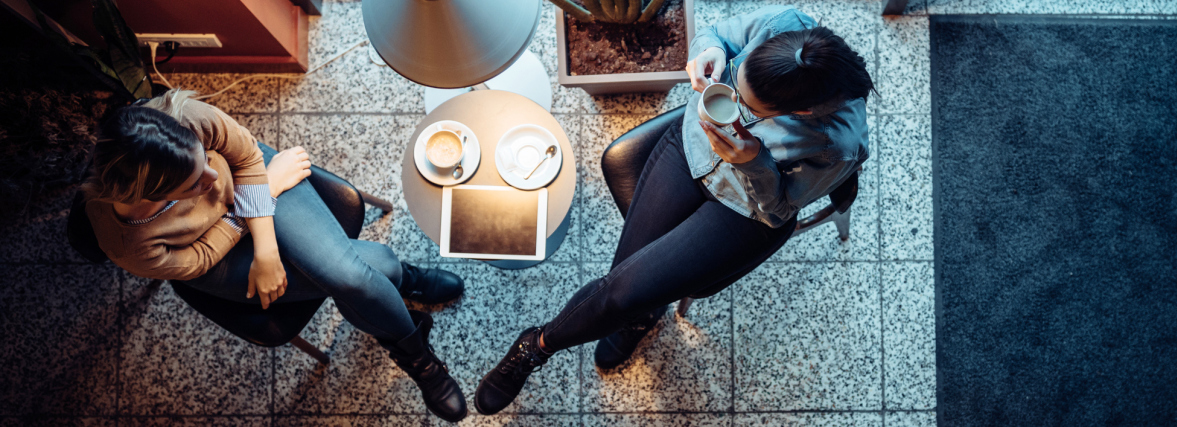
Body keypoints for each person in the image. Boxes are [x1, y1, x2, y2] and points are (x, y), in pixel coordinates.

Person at [471, 5, 874, 414]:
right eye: (736, 81)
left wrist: (753, 161)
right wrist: (709, 50)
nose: (733, 100)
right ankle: (640, 319)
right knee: (624, 287)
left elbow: (779, 210)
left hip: (744, 209)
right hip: (691, 149)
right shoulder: (785, 26)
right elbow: (717, 33)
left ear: (799, 112)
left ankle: (536, 346)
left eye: (751, 109)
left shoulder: (836, 144)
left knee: (624, 293)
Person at [83, 90, 469, 422]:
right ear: (153, 197)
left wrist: (265, 244)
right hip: (215, 253)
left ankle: (411, 330)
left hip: (257, 181)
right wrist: (261, 200)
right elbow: (198, 260)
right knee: (374, 268)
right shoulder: (128, 244)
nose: (214, 180)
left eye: (206, 161)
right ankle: (411, 317)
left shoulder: (182, 118)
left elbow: (246, 158)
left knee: (352, 276)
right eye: (195, 184)